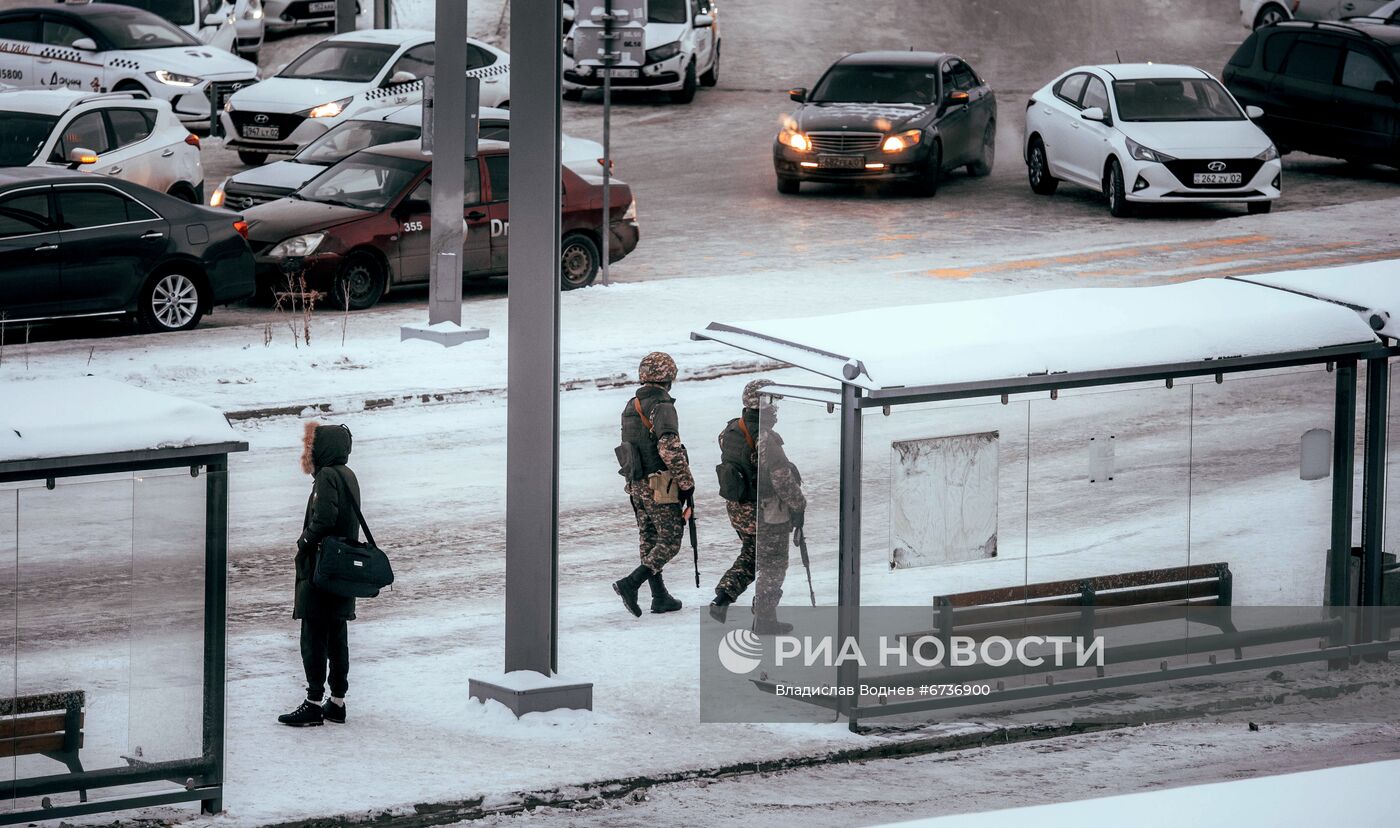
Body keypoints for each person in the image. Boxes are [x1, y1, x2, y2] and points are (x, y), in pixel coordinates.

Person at [278, 421, 360, 727]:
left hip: (322, 569)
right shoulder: (347, 474)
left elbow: (325, 518)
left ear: (321, 450)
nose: (307, 453)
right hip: (341, 570)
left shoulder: (326, 476)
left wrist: (304, 540)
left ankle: (313, 702)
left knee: (313, 635)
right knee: (337, 634)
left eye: (310, 448)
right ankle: (336, 702)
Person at [612, 352, 693, 617]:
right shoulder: (662, 405)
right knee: (670, 540)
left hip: (635, 483)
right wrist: (686, 483)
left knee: (649, 539)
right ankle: (631, 583)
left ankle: (659, 596)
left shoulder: (631, 404)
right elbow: (669, 448)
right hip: (658, 484)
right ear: (669, 376)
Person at [709, 379, 771, 623]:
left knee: (752, 554)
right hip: (758, 508)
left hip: (736, 506)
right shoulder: (764, 436)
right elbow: (774, 474)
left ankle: (722, 600)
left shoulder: (731, 429)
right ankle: (764, 616)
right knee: (769, 561)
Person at [750, 386, 806, 634]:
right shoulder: (767, 439)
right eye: (772, 405)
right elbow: (781, 478)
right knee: (773, 566)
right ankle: (764, 619)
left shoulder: (737, 430)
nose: (776, 411)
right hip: (770, 511)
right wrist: (799, 505)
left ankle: (763, 614)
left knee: (762, 563)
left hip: (747, 509)